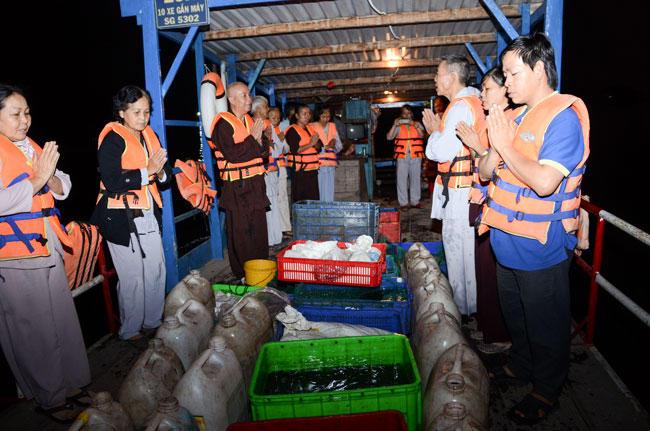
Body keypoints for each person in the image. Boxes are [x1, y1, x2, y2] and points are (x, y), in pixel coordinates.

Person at [477, 33, 589, 425]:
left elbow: (544, 183)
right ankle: (520, 366)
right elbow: (485, 172)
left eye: (512, 73)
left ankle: (547, 389)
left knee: (546, 323)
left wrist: (505, 147)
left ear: (539, 68)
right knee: (517, 316)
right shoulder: (514, 116)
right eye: (504, 75)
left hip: (541, 247)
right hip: (506, 242)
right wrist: (497, 142)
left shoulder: (563, 119)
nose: (506, 83)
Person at [0, 83, 91, 423]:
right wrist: (38, 179)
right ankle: (49, 397)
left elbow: (64, 184)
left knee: (62, 319)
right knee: (33, 328)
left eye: (27, 113)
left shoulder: (30, 145)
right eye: (15, 114)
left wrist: (50, 178)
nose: (24, 120)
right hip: (15, 254)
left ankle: (72, 382)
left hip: (48, 241)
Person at [91, 85, 172, 342]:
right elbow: (112, 181)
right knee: (132, 276)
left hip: (147, 211)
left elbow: (166, 176)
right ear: (121, 112)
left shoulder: (150, 135)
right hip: (119, 217)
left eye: (146, 112)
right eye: (136, 112)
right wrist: (148, 171)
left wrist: (160, 172)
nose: (142, 118)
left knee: (156, 268)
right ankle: (130, 329)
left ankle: (153, 320)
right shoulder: (112, 139)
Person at [455, 67, 523, 354]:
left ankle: (500, 335)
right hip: (481, 203)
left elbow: (499, 168)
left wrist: (475, 145)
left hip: (496, 208)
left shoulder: (512, 121)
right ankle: (487, 326)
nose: (481, 94)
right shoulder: (490, 120)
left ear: (506, 92)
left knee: (494, 273)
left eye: (487, 88)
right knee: (484, 271)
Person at [422, 55, 485, 318]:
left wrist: (433, 132)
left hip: (460, 192)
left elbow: (439, 152)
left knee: (459, 253)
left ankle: (463, 310)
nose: (435, 79)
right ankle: (470, 306)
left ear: (452, 77)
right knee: (466, 252)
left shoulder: (460, 108)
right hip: (463, 189)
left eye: (438, 74)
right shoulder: (470, 102)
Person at [211, 82, 269, 280]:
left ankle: (261, 267)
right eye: (243, 95)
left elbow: (263, 152)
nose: (249, 99)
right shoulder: (223, 124)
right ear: (231, 99)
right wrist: (253, 140)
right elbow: (232, 155)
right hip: (237, 187)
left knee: (259, 228)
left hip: (256, 184)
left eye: (248, 95)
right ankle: (243, 273)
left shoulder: (250, 121)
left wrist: (261, 142)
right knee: (241, 231)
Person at [251, 95, 282, 246]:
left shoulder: (268, 124)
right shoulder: (249, 124)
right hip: (258, 173)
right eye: (265, 106)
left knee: (273, 204)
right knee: (263, 206)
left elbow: (277, 150)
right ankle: (266, 239)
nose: (268, 109)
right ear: (257, 109)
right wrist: (265, 140)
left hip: (271, 171)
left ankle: (276, 237)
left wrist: (269, 140)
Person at [387, 104, 426, 211]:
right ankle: (403, 203)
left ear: (411, 114)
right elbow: (389, 137)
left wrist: (415, 126)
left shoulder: (417, 124)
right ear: (401, 115)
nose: (407, 115)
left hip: (416, 155)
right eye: (404, 113)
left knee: (416, 179)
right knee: (401, 180)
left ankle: (415, 201)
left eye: (408, 113)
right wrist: (394, 125)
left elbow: (423, 135)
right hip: (402, 156)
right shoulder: (398, 126)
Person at [285, 104, 321, 203]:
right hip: (300, 171)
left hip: (312, 170)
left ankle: (313, 213)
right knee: (301, 198)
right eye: (304, 114)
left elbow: (318, 147)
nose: (307, 116)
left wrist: (316, 143)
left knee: (313, 198)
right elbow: (295, 150)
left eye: (309, 114)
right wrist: (311, 143)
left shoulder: (310, 128)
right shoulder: (292, 130)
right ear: (297, 116)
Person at [268, 107, 292, 237]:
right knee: (272, 200)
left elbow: (286, 150)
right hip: (269, 169)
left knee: (282, 198)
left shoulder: (278, 130)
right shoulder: (264, 130)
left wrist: (281, 141)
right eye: (273, 117)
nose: (276, 120)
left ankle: (285, 227)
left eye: (278, 117)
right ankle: (275, 229)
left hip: (280, 169)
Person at [311, 106, 342, 202]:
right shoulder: (311, 127)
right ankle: (320, 209)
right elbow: (310, 146)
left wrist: (333, 147)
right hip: (318, 164)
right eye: (323, 117)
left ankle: (329, 208)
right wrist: (325, 147)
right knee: (319, 190)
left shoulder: (333, 127)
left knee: (330, 190)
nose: (325, 119)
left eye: (328, 117)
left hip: (330, 165)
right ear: (318, 115)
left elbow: (339, 146)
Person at [424, 96, 449, 196]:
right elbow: (427, 135)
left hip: (445, 149)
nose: (436, 107)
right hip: (433, 146)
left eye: (438, 105)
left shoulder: (449, 116)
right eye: (435, 105)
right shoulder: (434, 117)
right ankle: (432, 194)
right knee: (432, 174)